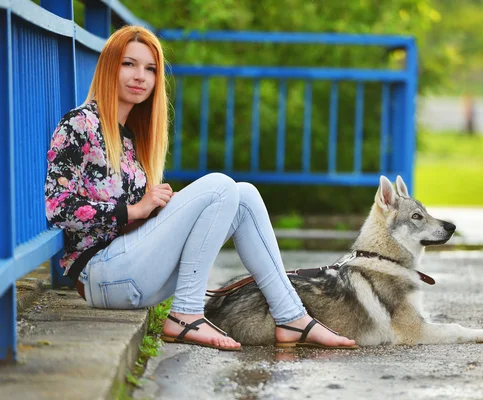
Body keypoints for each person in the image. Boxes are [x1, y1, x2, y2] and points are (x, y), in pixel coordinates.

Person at [44, 26, 356, 351]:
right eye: (129, 64)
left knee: (244, 196)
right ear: (109, 66)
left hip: (133, 269)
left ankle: (292, 317)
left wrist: (163, 210)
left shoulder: (129, 136)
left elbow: (127, 216)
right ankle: (186, 314)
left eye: (150, 69)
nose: (141, 76)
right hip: (101, 273)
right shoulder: (80, 124)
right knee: (220, 186)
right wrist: (134, 209)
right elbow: (58, 209)